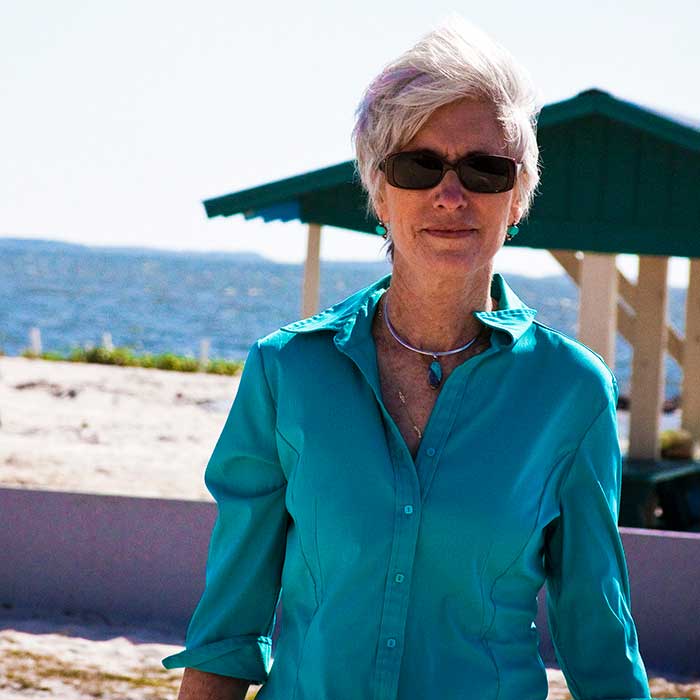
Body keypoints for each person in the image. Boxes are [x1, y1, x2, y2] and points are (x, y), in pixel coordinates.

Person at [164, 18, 652, 700]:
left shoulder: (571, 392)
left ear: (517, 198)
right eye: (418, 165)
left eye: (485, 169)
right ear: (379, 191)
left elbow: (600, 641)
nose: (450, 195)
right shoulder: (288, 372)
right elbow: (228, 630)